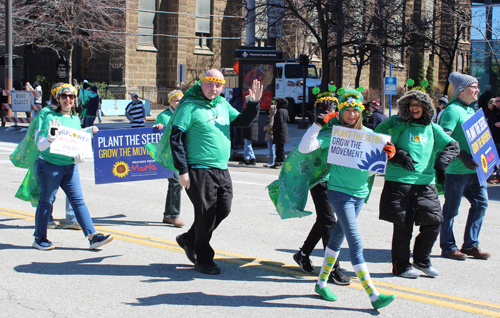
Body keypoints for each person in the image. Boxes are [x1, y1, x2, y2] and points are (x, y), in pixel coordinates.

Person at [298, 89, 396, 310]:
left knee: (335, 239)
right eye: (347, 110)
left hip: (359, 194)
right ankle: (373, 295)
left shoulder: (370, 134)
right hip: (339, 193)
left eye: (355, 110)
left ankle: (321, 284)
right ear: (340, 112)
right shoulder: (334, 134)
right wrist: (318, 124)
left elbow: (370, 171)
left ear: (361, 111)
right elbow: (305, 147)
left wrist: (386, 156)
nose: (351, 115)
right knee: (355, 242)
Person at [171, 70, 262, 275]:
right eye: (209, 84)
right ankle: (203, 258)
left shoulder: (222, 104)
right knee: (205, 213)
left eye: (218, 85)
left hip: (221, 168)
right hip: (198, 168)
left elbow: (242, 121)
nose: (214, 89)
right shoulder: (190, 106)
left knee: (223, 209)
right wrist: (183, 170)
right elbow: (176, 140)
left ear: (222, 87)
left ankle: (189, 239)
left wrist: (253, 104)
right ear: (201, 84)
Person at [375, 90, 459, 278]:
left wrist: (441, 164)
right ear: (406, 107)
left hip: (425, 183)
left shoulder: (432, 128)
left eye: (418, 105)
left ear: (426, 108)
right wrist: (399, 155)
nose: (414, 108)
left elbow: (453, 146)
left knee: (434, 222)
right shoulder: (399, 125)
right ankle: (401, 266)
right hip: (400, 182)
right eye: (411, 104)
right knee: (403, 227)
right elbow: (380, 143)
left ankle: (421, 260)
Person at [32, 83, 113, 250]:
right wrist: (49, 139)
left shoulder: (75, 120)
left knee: (78, 202)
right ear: (58, 98)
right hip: (49, 166)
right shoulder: (49, 117)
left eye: (71, 96)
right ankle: (39, 238)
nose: (68, 99)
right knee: (46, 202)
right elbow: (39, 146)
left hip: (69, 167)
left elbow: (76, 139)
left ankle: (92, 236)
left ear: (75, 99)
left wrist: (88, 134)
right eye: (64, 96)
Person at [438, 72, 490, 260]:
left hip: (476, 170)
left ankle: (470, 245)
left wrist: (491, 161)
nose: (477, 90)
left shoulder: (472, 110)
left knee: (481, 204)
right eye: (473, 87)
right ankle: (448, 247)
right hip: (457, 171)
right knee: (451, 210)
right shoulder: (452, 111)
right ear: (461, 90)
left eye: (477, 87)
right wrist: (462, 155)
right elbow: (443, 138)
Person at [153, 90, 185, 227]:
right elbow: (154, 134)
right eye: (176, 100)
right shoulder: (163, 116)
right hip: (168, 155)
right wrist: (157, 128)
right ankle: (173, 215)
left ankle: (168, 215)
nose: (179, 103)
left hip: (180, 154)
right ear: (170, 102)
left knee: (175, 184)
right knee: (176, 182)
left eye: (180, 100)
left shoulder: (184, 114)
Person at [239, 96, 259, 166]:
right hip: (250, 127)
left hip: (250, 127)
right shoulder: (255, 107)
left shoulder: (250, 108)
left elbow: (248, 117)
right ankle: (246, 158)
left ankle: (252, 157)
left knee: (247, 144)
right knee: (246, 143)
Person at [271, 97, 289, 168]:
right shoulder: (286, 110)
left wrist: (274, 127)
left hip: (280, 132)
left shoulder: (279, 111)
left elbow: (280, 122)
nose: (275, 104)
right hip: (284, 130)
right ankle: (280, 161)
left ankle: (280, 161)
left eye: (276, 102)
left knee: (279, 148)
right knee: (281, 147)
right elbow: (288, 119)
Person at [487, 96, 500, 183]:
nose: (496, 103)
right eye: (496, 101)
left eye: (498, 101)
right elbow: (489, 122)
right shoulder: (494, 111)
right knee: (494, 156)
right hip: (494, 137)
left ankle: (498, 176)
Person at [263, 102, 276, 168]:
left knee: (271, 149)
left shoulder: (272, 117)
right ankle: (271, 161)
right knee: (271, 149)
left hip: (270, 135)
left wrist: (265, 127)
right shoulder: (270, 117)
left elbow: (271, 125)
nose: (269, 111)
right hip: (269, 135)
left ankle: (271, 162)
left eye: (270, 109)